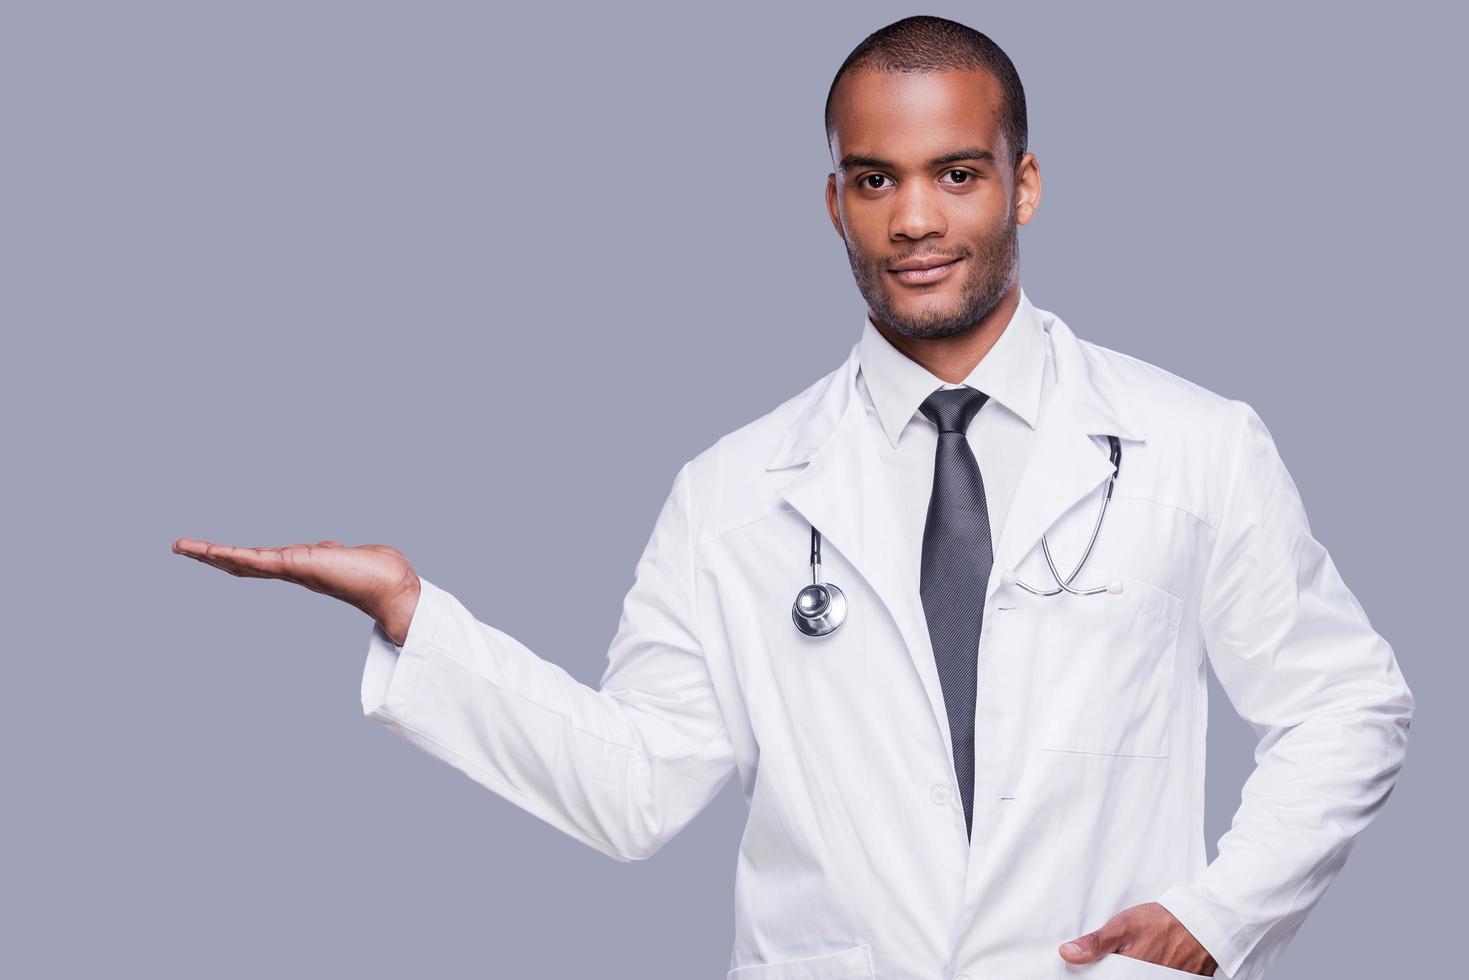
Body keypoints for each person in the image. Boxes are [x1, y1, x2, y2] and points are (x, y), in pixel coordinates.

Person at [172, 15, 1413, 980]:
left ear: (1023, 186)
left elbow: (1345, 704)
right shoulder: (731, 493)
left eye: (956, 173)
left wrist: (1217, 911)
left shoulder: (1191, 445)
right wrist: (412, 616)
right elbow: (636, 786)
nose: (913, 219)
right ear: (833, 202)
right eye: (873, 181)